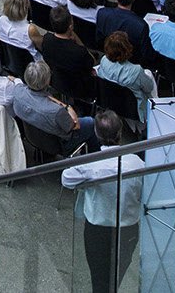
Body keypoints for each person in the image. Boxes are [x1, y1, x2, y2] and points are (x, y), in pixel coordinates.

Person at [61, 112, 143, 293]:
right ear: (120, 133)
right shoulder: (137, 163)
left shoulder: (91, 165)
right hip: (128, 228)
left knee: (98, 278)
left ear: (97, 135)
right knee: (116, 276)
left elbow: (66, 178)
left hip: (98, 229)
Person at [10, 61, 98, 155]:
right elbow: (75, 126)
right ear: (47, 80)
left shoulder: (17, 91)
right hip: (59, 144)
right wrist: (68, 107)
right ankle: (95, 156)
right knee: (91, 122)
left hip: (34, 138)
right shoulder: (56, 111)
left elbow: (15, 81)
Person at [96, 31, 156, 123]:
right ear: (127, 48)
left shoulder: (103, 60)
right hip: (133, 109)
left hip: (111, 101)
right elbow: (149, 88)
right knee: (148, 74)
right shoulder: (136, 71)